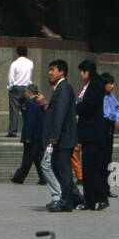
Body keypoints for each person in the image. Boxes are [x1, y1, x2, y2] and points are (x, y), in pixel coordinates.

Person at [43, 60, 78, 212]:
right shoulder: (61, 88)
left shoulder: (63, 88)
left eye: (53, 69)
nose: (50, 72)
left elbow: (60, 114)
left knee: (63, 171)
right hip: (62, 137)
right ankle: (72, 198)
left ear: (62, 72)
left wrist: (54, 136)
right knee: (59, 169)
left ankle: (66, 202)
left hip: (63, 138)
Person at [76, 60, 109, 211]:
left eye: (81, 72)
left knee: (93, 168)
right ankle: (89, 200)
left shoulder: (95, 85)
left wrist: (76, 106)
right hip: (89, 134)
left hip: (94, 133)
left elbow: (89, 106)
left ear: (87, 72)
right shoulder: (91, 85)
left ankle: (102, 198)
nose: (81, 76)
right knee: (88, 168)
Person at [10, 84, 47, 185]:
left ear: (29, 93)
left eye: (25, 91)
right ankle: (43, 177)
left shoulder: (31, 104)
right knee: (37, 158)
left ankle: (19, 177)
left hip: (32, 137)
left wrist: (27, 136)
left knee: (27, 158)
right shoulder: (38, 103)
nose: (24, 93)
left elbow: (29, 122)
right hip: (39, 135)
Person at [101, 72, 119, 199]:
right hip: (103, 126)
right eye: (110, 83)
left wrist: (117, 118)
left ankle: (106, 188)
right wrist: (112, 118)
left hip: (110, 127)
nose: (112, 86)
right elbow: (105, 112)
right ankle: (101, 188)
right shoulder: (100, 96)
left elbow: (118, 108)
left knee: (108, 158)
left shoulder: (111, 96)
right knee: (102, 159)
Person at [6, 45, 34, 136]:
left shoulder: (14, 63)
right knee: (26, 111)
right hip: (26, 88)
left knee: (14, 110)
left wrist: (11, 87)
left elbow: (11, 77)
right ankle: (27, 130)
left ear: (17, 53)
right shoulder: (30, 63)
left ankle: (13, 131)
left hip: (16, 88)